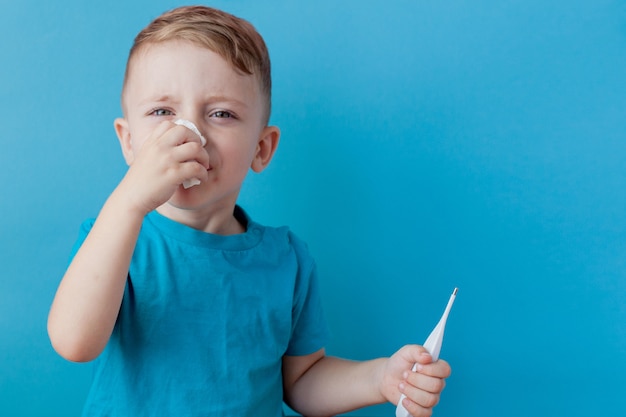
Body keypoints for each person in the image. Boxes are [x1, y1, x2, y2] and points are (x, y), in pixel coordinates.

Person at [47, 5, 451, 417]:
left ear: (262, 148)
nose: (189, 135)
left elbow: (301, 381)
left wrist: (380, 378)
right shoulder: (114, 238)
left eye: (221, 114)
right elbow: (74, 343)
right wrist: (129, 200)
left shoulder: (287, 259)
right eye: (162, 112)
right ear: (129, 141)